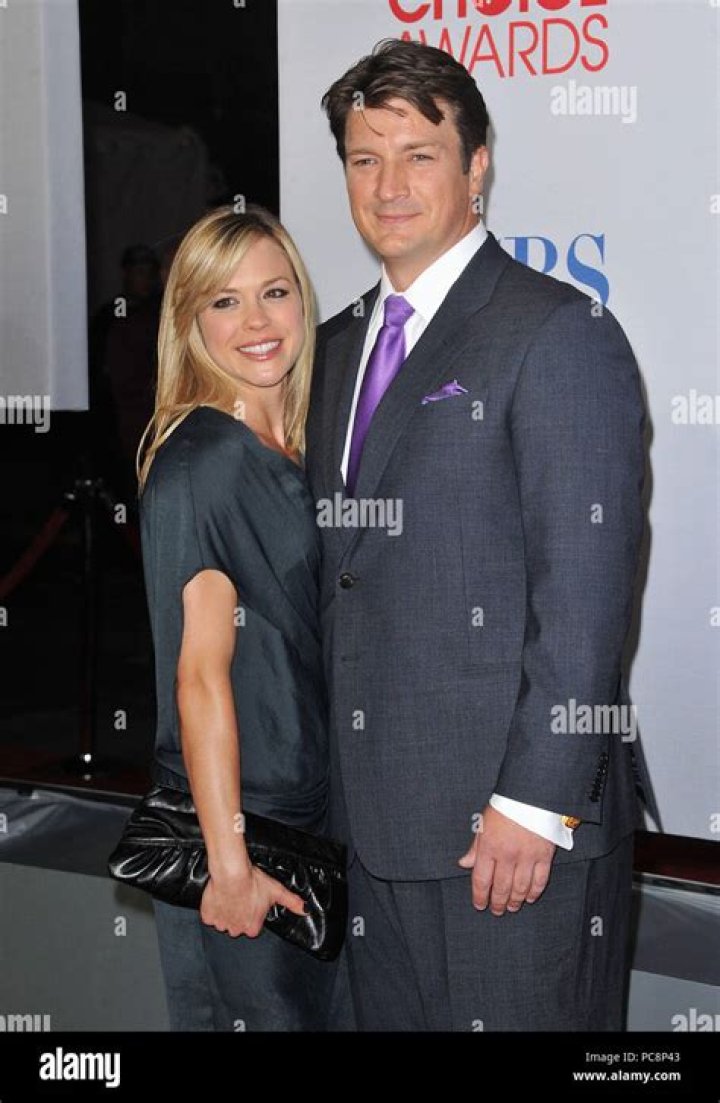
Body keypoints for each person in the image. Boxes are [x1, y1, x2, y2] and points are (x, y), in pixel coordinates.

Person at [306, 38, 654, 1031]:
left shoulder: (558, 330)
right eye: (365, 159)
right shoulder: (334, 348)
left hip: (509, 842)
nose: (389, 185)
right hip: (370, 833)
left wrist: (536, 801)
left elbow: (586, 593)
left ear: (478, 166)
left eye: (419, 154)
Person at [137, 204, 337, 1031]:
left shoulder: (303, 442)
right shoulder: (205, 461)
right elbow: (199, 678)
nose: (256, 321)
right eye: (225, 301)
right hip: (246, 827)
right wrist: (228, 863)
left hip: (311, 809)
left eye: (274, 292)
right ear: (190, 321)